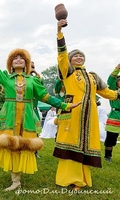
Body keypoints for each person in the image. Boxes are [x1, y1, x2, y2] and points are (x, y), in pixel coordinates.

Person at [0, 41, 80, 191]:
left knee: (24, 144)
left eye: (21, 58)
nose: (18, 59)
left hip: (27, 116)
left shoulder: (33, 80)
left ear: (26, 62)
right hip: (9, 115)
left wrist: (64, 105)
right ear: (10, 62)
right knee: (10, 144)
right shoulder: (5, 77)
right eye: (15, 57)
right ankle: (15, 179)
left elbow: (45, 96)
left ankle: (18, 176)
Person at [53, 19, 120, 190]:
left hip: (89, 115)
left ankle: (81, 179)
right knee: (72, 143)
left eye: (81, 55)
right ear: (70, 59)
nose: (79, 57)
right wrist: (60, 33)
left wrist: (117, 94)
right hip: (72, 112)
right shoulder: (67, 72)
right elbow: (61, 56)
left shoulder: (92, 76)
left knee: (84, 144)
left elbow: (106, 92)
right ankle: (68, 178)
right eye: (75, 55)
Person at [104, 64, 120, 162]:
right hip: (114, 117)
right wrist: (117, 69)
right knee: (111, 138)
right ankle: (107, 156)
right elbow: (110, 80)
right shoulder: (113, 91)